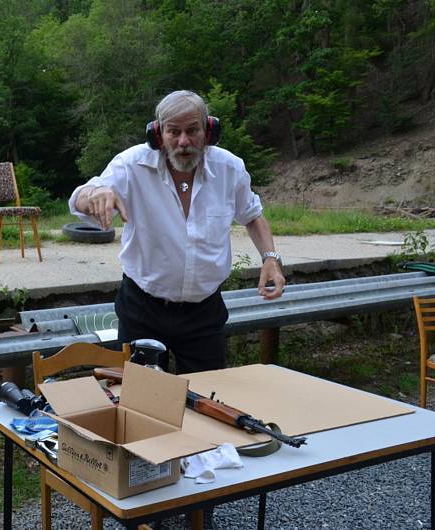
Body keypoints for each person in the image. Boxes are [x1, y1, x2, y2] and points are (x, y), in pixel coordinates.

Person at [70, 90, 285, 375]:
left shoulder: (229, 168)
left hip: (204, 313)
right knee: (142, 403)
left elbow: (252, 214)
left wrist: (270, 258)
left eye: (192, 130)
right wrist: (96, 193)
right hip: (142, 309)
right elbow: (80, 198)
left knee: (208, 397)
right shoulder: (131, 165)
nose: (184, 141)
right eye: (174, 132)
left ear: (209, 129)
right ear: (158, 133)